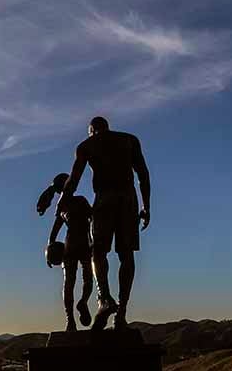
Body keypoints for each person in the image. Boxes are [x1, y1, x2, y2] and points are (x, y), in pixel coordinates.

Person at [58, 116, 151, 331]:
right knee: (126, 255)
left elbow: (74, 179)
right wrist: (146, 206)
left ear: (91, 130)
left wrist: (62, 201)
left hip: (105, 198)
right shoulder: (129, 140)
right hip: (129, 199)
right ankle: (121, 315)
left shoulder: (86, 146)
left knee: (98, 252)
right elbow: (143, 175)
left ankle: (104, 297)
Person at [41, 172, 94, 331]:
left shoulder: (62, 208)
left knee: (70, 283)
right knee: (86, 279)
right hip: (82, 244)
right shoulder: (80, 201)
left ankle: (70, 319)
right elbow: (92, 220)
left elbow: (53, 233)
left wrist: (48, 254)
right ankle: (81, 304)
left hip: (71, 245)